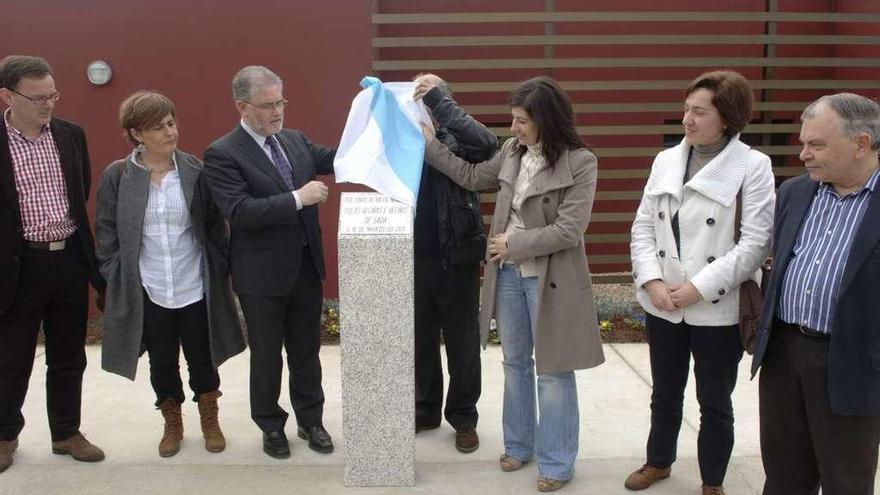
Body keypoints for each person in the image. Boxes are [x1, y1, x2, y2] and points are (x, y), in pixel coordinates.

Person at [422, 75, 604, 492]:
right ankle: (519, 446)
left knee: (555, 372)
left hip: (549, 278)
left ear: (547, 119)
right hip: (506, 276)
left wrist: (515, 243)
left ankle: (557, 464)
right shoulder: (511, 152)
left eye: (522, 121)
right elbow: (469, 175)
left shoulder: (581, 162)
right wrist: (428, 143)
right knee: (514, 363)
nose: (514, 129)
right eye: (513, 120)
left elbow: (569, 230)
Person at [627, 70, 775, 495]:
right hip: (664, 302)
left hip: (717, 306)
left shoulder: (753, 166)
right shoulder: (667, 159)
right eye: (686, 110)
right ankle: (658, 461)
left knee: (714, 402)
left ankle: (712, 481)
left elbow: (753, 244)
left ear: (726, 118)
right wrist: (652, 281)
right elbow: (642, 227)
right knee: (665, 392)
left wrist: (698, 288)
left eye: (698, 112)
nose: (687, 120)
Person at [95, 91, 245, 458]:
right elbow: (107, 234)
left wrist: (219, 269)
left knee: (203, 357)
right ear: (136, 133)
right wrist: (118, 275)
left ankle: (210, 420)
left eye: (171, 122)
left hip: (194, 284)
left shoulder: (194, 171)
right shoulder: (118, 176)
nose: (169, 131)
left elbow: (214, 228)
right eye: (158, 126)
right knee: (162, 362)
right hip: (149, 288)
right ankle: (172, 423)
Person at [751, 93, 880, 495]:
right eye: (803, 142)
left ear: (862, 144)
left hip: (853, 363)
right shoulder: (794, 192)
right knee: (784, 474)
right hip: (784, 355)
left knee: (845, 479)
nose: (804, 154)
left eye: (816, 144)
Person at [204, 66, 335, 459]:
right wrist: (299, 197)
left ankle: (311, 421)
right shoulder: (223, 153)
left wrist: (375, 122)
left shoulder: (294, 140)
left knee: (307, 353)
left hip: (306, 268)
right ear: (242, 107)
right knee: (266, 356)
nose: (278, 111)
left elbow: (337, 157)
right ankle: (271, 426)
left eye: (281, 101)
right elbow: (240, 211)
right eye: (267, 105)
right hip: (260, 276)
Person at [0, 55, 107, 472]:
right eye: (39, 97)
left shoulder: (70, 135)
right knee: (12, 357)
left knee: (69, 355)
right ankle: (6, 435)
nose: (49, 104)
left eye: (53, 95)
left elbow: (81, 192)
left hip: (68, 262)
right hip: (17, 266)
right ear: (7, 96)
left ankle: (66, 433)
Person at [411, 73, 498, 453]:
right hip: (413, 256)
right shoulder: (403, 135)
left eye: (431, 89)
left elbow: (489, 144)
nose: (423, 94)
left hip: (458, 254)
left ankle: (463, 417)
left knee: (463, 344)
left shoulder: (459, 136)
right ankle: (426, 409)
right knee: (421, 341)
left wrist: (439, 101)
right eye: (418, 89)